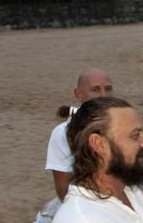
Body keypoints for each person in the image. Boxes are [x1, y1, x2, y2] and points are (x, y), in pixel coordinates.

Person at [47, 69, 115, 202]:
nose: (103, 95)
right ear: (78, 94)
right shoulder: (62, 133)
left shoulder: (124, 125)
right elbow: (63, 189)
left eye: (108, 89)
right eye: (95, 89)